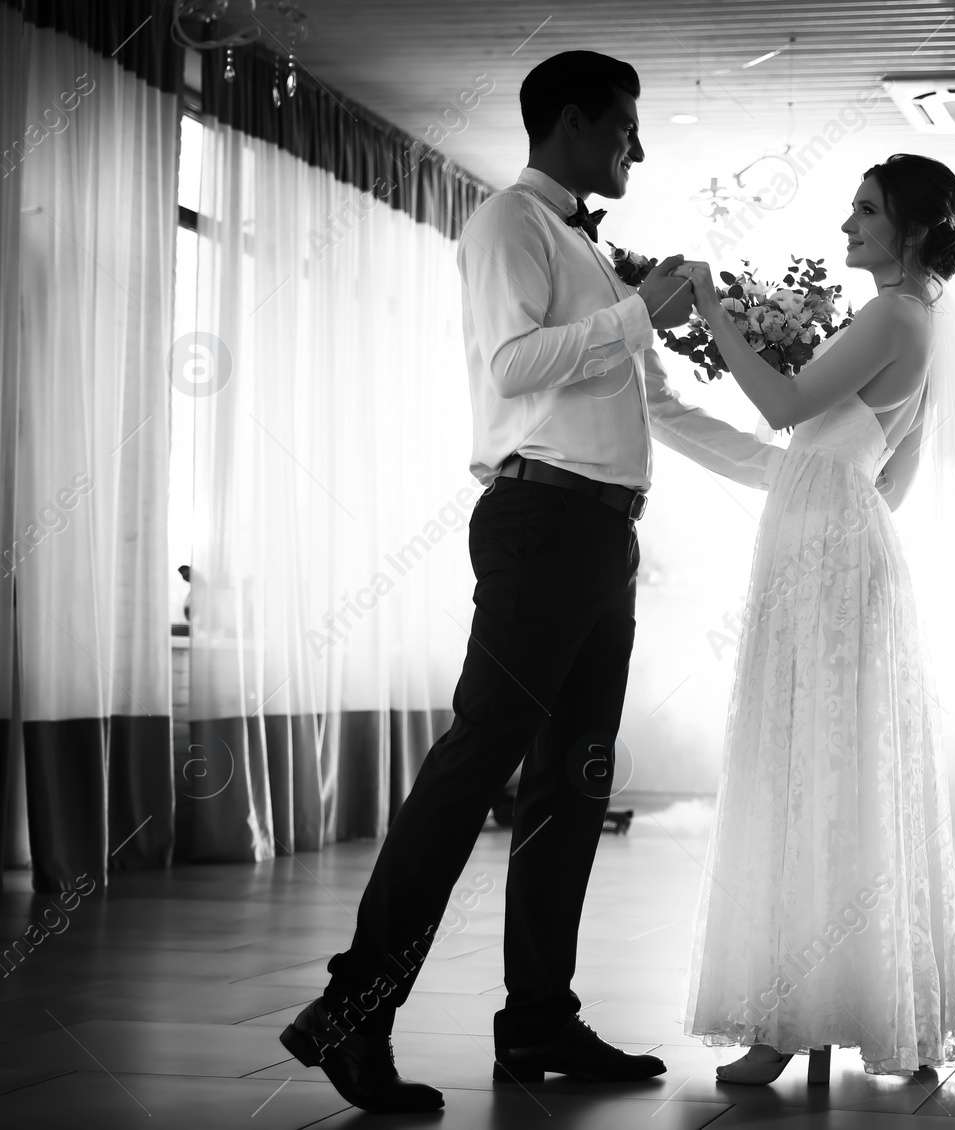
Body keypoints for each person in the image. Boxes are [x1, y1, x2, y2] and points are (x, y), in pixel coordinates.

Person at [277, 51, 786, 1113]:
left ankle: (540, 1020)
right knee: (476, 765)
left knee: (575, 780)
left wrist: (797, 474)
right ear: (568, 121)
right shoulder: (506, 222)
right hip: (539, 523)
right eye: (622, 130)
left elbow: (660, 409)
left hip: (603, 538)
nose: (635, 149)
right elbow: (512, 367)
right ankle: (354, 1009)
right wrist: (641, 307)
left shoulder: (584, 253)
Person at [668, 153, 955, 1083]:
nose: (846, 226)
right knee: (842, 772)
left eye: (864, 211)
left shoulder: (893, 314)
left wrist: (710, 302)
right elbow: (895, 477)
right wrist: (831, 495)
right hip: (848, 547)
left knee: (803, 765)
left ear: (916, 228)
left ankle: (788, 1023)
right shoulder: (917, 320)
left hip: (822, 557)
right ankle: (843, 1009)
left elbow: (781, 406)